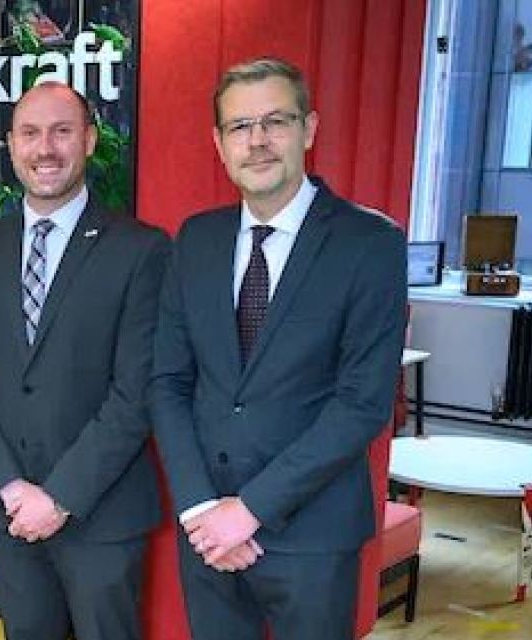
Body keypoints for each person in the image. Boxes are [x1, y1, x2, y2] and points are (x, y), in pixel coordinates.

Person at [149, 57, 406, 640]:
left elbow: (362, 404)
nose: (257, 140)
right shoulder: (196, 239)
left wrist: (250, 510)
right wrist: (199, 509)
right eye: (240, 127)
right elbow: (168, 382)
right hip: (208, 531)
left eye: (276, 121)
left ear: (309, 129)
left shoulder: (370, 244)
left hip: (313, 537)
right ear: (219, 143)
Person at [0, 81, 169, 640]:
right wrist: (10, 488)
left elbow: (134, 393)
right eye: (30, 133)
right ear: (11, 145)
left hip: (102, 514)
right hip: (8, 517)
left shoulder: (141, 249)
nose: (45, 148)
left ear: (89, 140)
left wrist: (61, 495)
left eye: (62, 131)